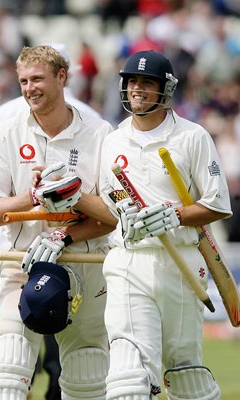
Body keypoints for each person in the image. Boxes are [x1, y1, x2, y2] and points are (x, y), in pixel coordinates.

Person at [79, 50, 232, 399]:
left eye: (147, 83)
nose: (137, 89)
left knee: (185, 373)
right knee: (129, 374)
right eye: (132, 81)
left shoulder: (192, 137)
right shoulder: (114, 140)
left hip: (180, 264)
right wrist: (120, 214)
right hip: (128, 262)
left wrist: (174, 214)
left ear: (165, 89)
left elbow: (218, 204)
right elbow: (110, 200)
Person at [0, 45, 115, 400]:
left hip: (83, 266)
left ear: (61, 77)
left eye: (37, 78)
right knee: (3, 378)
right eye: (23, 80)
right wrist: (34, 196)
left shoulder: (100, 134)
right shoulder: (6, 132)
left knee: (88, 378)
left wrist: (71, 211)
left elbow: (112, 216)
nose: (29, 88)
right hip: (21, 265)